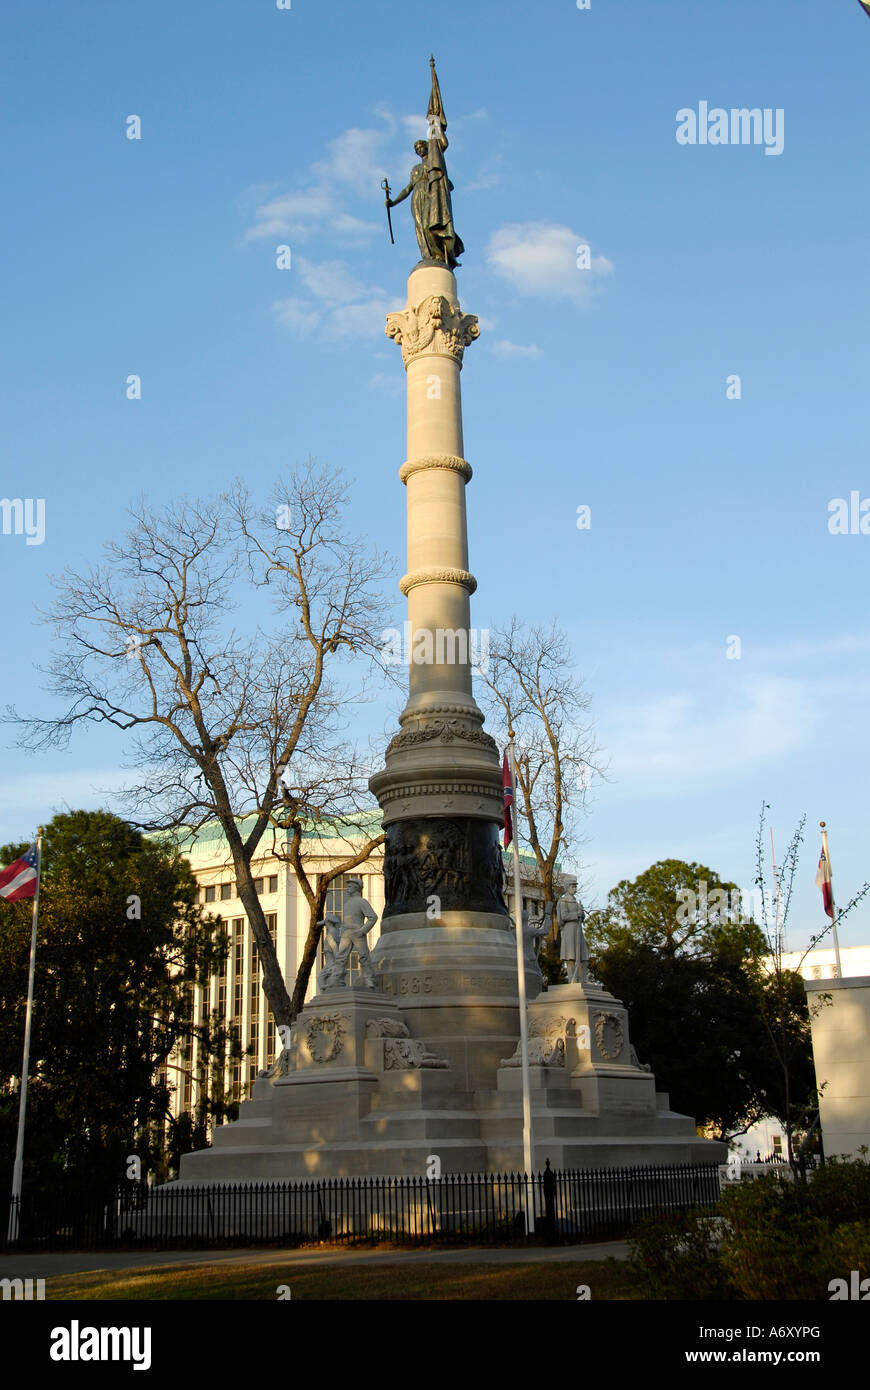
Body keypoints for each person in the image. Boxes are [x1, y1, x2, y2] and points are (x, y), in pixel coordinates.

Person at [330, 878, 379, 989]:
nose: (348, 888)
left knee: (364, 956)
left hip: (357, 931)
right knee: (341, 957)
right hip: (346, 933)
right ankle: (335, 979)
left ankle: (369, 980)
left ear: (356, 887)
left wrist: (362, 930)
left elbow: (373, 917)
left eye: (350, 886)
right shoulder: (347, 904)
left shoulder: (362, 901)